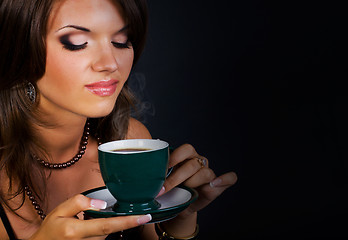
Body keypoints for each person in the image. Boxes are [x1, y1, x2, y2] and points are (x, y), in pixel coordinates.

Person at [0, 0, 237, 239]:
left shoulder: (130, 140)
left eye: (121, 41)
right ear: (21, 50)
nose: (110, 64)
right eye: (77, 43)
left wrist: (178, 223)